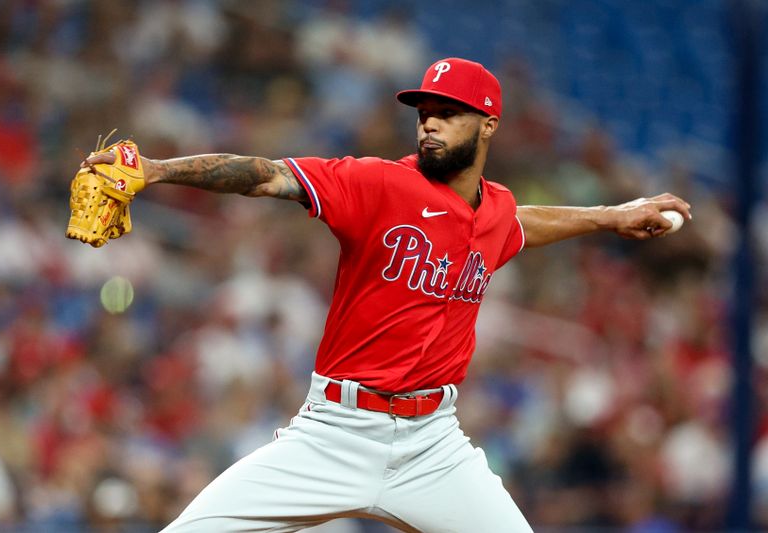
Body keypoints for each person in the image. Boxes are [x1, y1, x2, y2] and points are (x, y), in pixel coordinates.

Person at [84, 58, 691, 532]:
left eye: (448, 111)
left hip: (434, 445)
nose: (429, 121)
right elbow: (266, 173)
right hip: (335, 432)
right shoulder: (377, 183)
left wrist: (613, 215)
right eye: (424, 109)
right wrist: (158, 169)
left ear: (488, 124)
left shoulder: (496, 210)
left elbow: (521, 223)